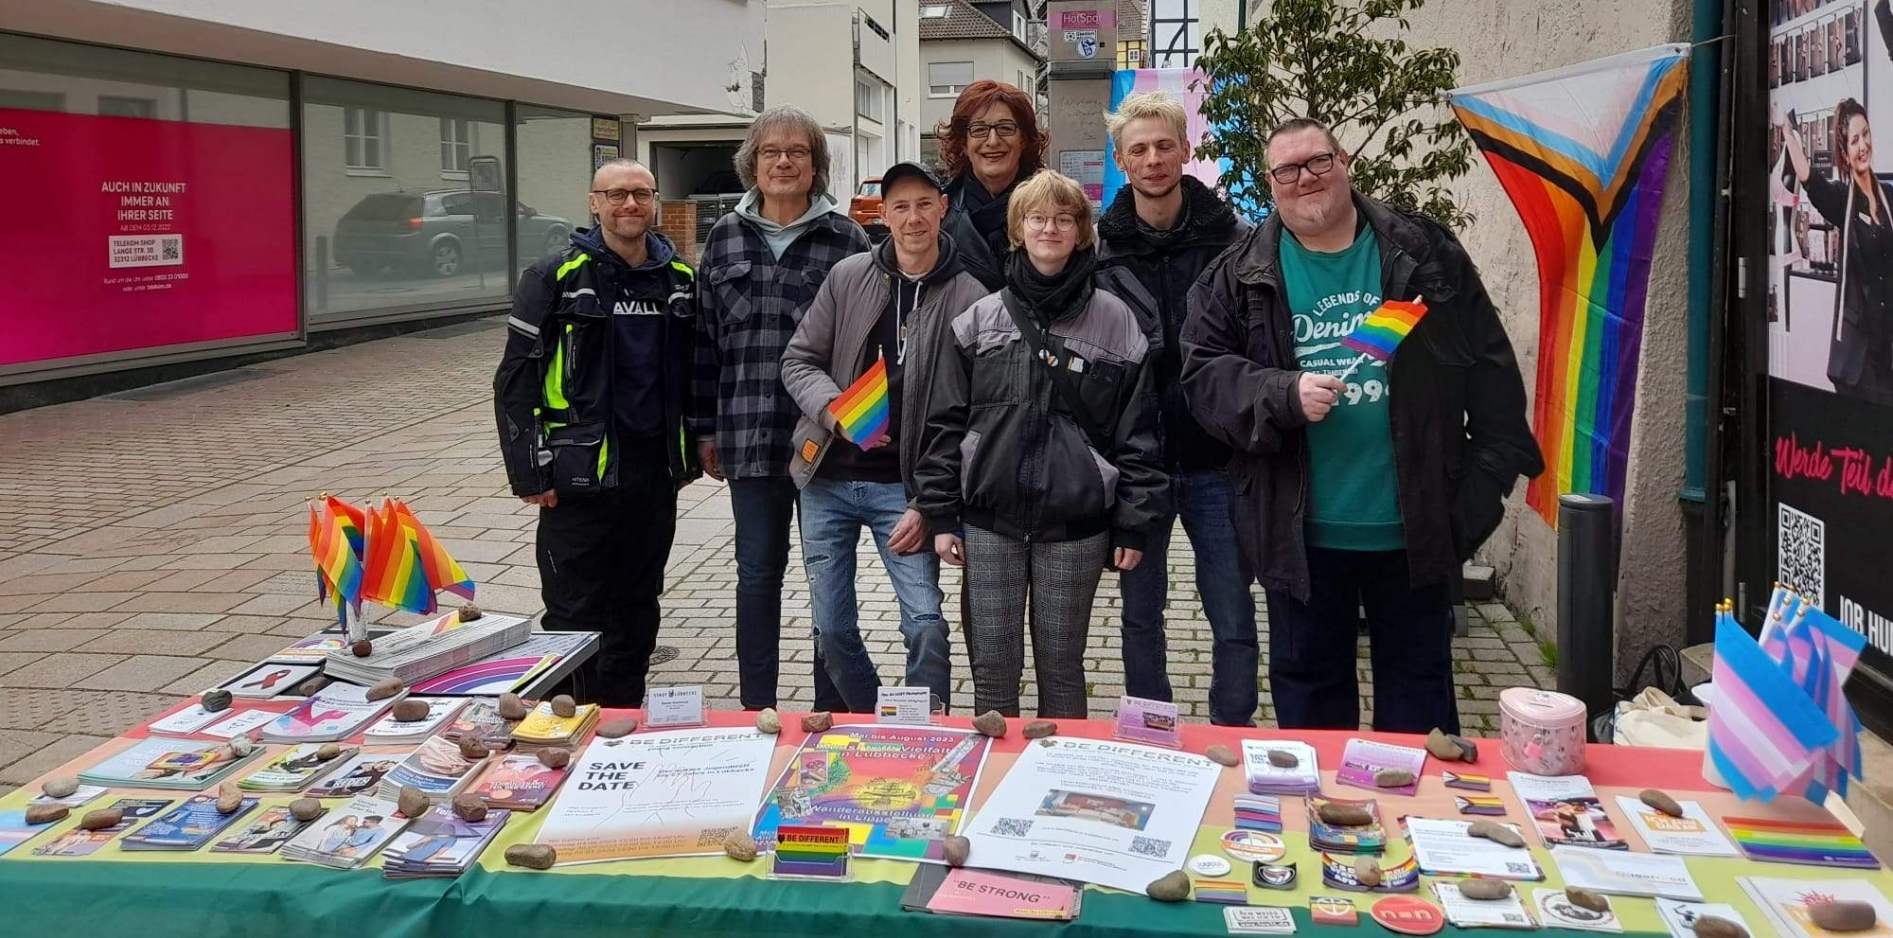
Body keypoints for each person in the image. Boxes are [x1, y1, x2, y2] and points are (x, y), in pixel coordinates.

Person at [1181, 118, 1541, 734]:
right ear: (1270, 183)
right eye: (1287, 170)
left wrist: (1475, 501)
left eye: (1317, 161)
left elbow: (1492, 376)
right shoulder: (1237, 273)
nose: (1305, 178)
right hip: (1300, 537)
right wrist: (1282, 392)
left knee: (1420, 717)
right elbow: (1203, 377)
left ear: (1344, 161)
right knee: (1313, 718)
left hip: (1415, 532)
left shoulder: (1423, 252)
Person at [916, 170, 1168, 719]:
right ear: (1018, 230)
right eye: (1036, 218)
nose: (1049, 228)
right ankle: (995, 767)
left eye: (1063, 218)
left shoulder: (1117, 321)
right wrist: (941, 516)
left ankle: (1063, 767)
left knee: (1062, 668)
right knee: (992, 671)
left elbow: (1139, 434)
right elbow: (944, 425)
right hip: (988, 523)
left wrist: (1133, 522)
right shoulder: (979, 319)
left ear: (1081, 231)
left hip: (1076, 527)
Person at [780, 162, 989, 712]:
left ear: (943, 208)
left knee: (925, 623)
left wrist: (931, 504)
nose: (913, 218)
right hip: (826, 479)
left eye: (924, 204)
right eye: (900, 207)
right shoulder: (849, 276)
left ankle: (922, 728)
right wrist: (836, 411)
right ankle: (876, 718)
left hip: (906, 488)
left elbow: (973, 413)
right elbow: (798, 360)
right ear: (885, 215)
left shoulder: (971, 296)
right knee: (830, 628)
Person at [494, 159, 699, 709]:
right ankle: (570, 720)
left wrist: (695, 446)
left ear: (654, 202)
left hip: (652, 475)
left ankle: (624, 715)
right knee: (573, 611)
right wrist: (530, 472)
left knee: (638, 603)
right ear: (594, 203)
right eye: (616, 194)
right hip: (578, 476)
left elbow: (698, 373)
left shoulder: (680, 281)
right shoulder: (555, 277)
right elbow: (515, 379)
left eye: (641, 194)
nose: (629, 204)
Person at [693, 106, 869, 712]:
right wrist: (703, 430)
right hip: (746, 436)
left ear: (816, 165)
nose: (785, 162)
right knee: (757, 576)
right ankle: (757, 709)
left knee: (829, 580)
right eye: (772, 152)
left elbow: (866, 349)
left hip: (824, 444)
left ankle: (829, 710)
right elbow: (704, 342)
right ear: (753, 164)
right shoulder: (723, 237)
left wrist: (862, 429)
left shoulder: (847, 239)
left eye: (798, 151)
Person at [1095, 91, 1258, 726]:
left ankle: (1232, 728)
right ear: (1121, 160)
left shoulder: (1234, 243)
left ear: (1186, 150)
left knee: (1232, 611)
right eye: (1139, 149)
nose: (1154, 159)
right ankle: (1151, 733)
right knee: (1141, 614)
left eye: (1165, 145)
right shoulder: (1101, 251)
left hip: (1218, 459)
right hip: (1140, 465)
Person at [1778, 93, 1893, 403]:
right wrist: (1787, 131)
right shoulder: (1844, 200)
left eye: (1865, 134)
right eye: (1854, 140)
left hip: (1887, 348)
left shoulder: (1888, 198)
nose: (1863, 145)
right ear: (1845, 151)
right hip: (1859, 359)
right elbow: (1810, 180)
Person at [938, 80, 1048, 290]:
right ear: (963, 143)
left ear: (1024, 139)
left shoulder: (1057, 210)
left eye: (1005, 128)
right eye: (979, 129)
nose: (993, 141)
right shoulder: (938, 219)